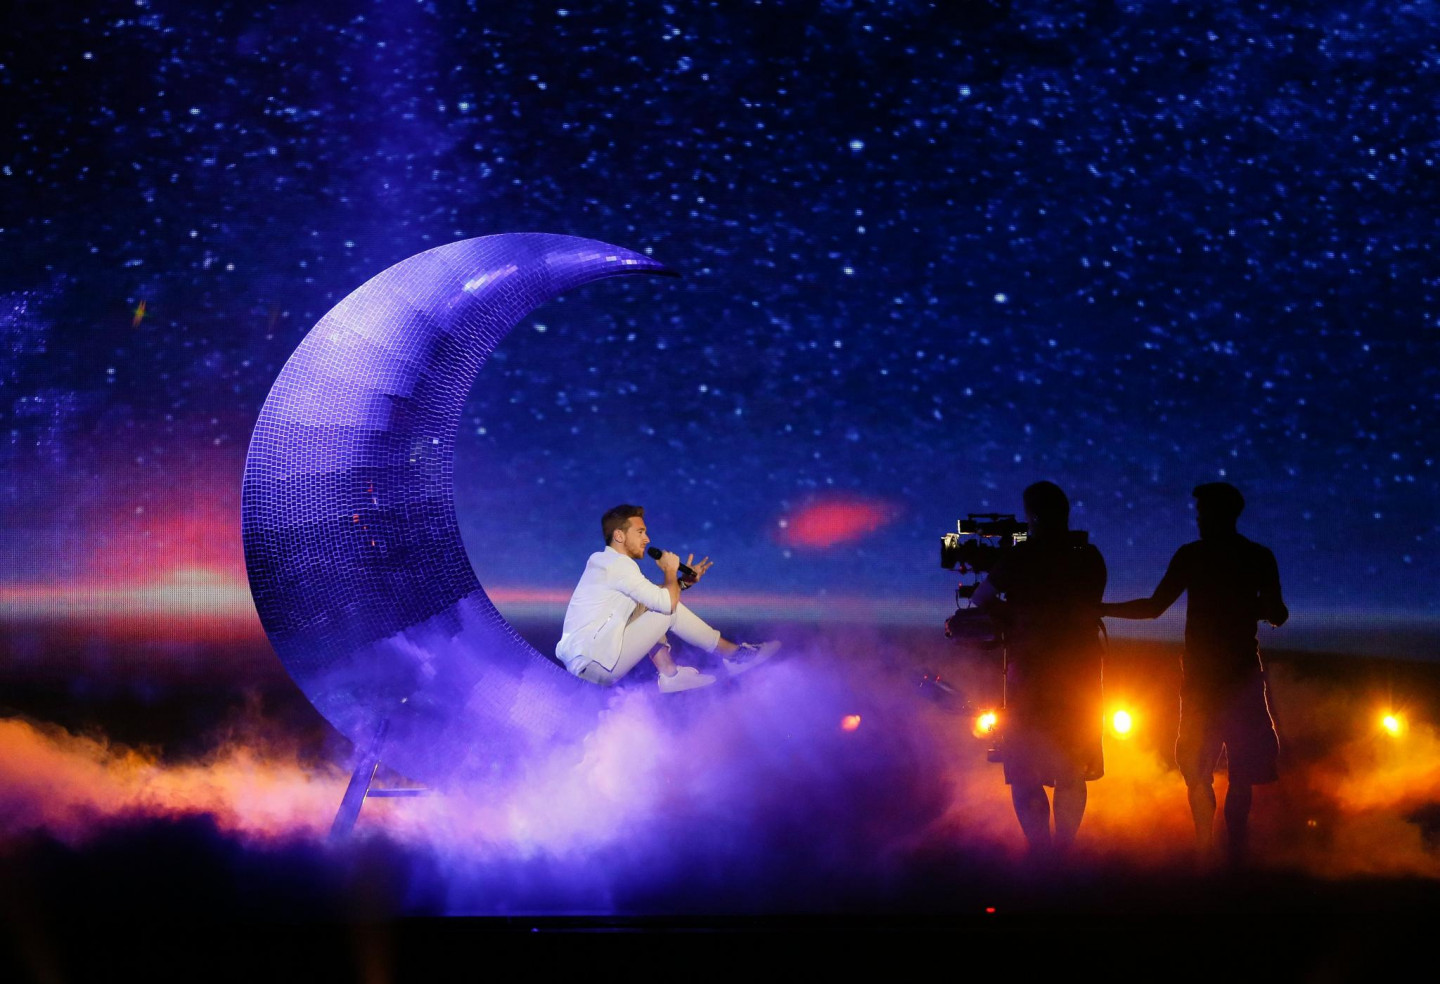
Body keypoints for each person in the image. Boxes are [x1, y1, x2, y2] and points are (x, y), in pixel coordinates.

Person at [1101, 482, 1288, 866]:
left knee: (1198, 769)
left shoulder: (1193, 555)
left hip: (1205, 679)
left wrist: (1101, 609)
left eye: (1204, 513)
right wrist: (1253, 608)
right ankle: (1234, 851)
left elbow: (1153, 607)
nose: (1199, 519)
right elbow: (1279, 614)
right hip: (1239, 676)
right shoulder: (1257, 556)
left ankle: (1206, 848)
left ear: (1221, 514)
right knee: (1240, 771)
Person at [972, 481, 1106, 860]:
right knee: (1071, 768)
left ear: (1032, 516)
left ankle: (1042, 855)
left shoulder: (1020, 557)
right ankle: (1064, 852)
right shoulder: (1088, 556)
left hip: (1029, 676)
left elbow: (981, 598)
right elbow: (1088, 607)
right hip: (1078, 676)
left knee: (1025, 770)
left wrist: (1012, 615)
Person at [556, 504, 779, 692]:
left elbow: (652, 599)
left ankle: (671, 675)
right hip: (595, 662)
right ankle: (735, 656)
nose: (647, 539)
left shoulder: (607, 564)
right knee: (667, 610)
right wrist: (670, 570)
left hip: (588, 663)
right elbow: (665, 604)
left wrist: (681, 583)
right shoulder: (617, 564)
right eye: (640, 532)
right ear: (619, 535)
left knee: (655, 607)